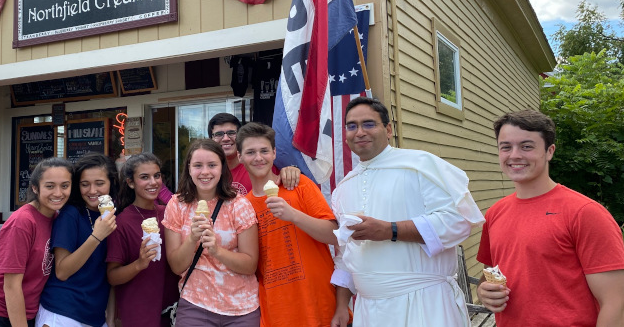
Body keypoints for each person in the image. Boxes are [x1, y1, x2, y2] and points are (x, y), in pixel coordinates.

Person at [330, 97, 485, 327]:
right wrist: (342, 306)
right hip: (369, 310)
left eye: (369, 124)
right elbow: (346, 252)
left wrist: (390, 230)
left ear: (388, 129)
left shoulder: (419, 165)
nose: (359, 132)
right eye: (352, 126)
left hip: (425, 304)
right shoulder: (343, 188)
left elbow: (458, 221)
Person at [477, 110, 624, 326]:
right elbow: (491, 273)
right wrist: (483, 291)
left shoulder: (584, 213)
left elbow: (616, 303)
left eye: (527, 146)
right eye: (506, 147)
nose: (514, 155)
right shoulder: (495, 213)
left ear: (549, 151)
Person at [237, 123, 349, 327]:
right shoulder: (242, 205)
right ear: (240, 157)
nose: (258, 157)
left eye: (264, 151)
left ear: (274, 153)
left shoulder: (300, 185)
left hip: (321, 305)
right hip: (277, 311)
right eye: (250, 152)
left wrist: (294, 216)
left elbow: (334, 235)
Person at [163, 139, 260, 325]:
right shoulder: (177, 205)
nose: (205, 172)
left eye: (212, 165)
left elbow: (250, 265)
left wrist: (217, 250)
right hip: (195, 304)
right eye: (198, 165)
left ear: (222, 168)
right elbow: (176, 266)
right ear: (189, 169)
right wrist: (192, 238)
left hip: (242, 308)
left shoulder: (239, 205)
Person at [0, 157, 73, 327]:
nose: (58, 193)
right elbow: (11, 286)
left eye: (65, 186)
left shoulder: (57, 218)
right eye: (50, 186)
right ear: (35, 188)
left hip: (30, 312)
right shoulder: (22, 222)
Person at [36, 153, 120, 327]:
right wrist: (96, 236)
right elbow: (62, 271)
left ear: (111, 183)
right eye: (84, 184)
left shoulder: (114, 215)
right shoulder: (71, 214)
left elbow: (110, 273)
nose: (92, 190)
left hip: (96, 315)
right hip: (62, 311)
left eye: (100, 183)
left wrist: (110, 319)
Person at [107, 153, 179, 326]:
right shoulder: (122, 222)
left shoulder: (169, 212)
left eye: (157, 175)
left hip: (173, 309)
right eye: (144, 177)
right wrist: (139, 263)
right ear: (130, 183)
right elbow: (112, 276)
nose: (153, 182)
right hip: (139, 312)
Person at [208, 113, 300, 195]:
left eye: (231, 133)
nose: (225, 138)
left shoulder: (259, 164)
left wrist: (290, 171)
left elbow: (284, 177)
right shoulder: (209, 173)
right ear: (211, 139)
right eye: (218, 134)